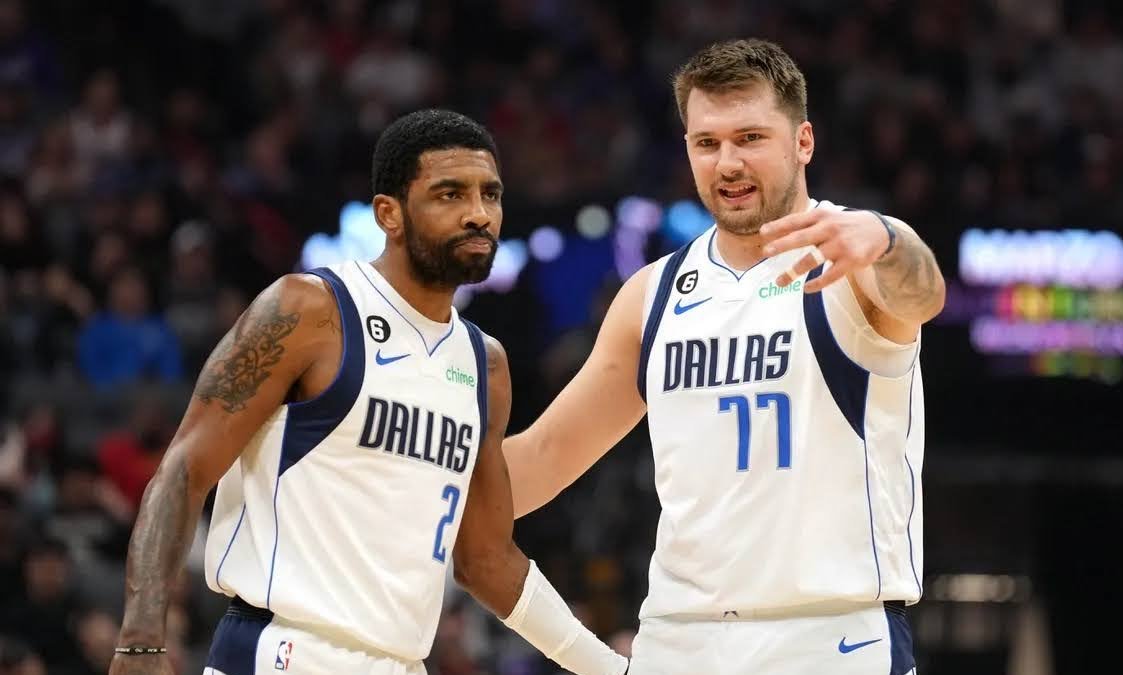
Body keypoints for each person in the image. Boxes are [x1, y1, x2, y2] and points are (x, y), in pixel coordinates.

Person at [109, 109, 628, 675]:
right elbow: (184, 469)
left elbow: (486, 559)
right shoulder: (309, 310)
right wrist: (140, 638)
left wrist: (609, 668)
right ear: (390, 214)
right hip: (284, 650)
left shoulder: (485, 365)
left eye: (490, 195)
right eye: (449, 195)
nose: (479, 214)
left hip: (401, 662)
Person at [503, 39, 946, 674]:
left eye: (751, 138)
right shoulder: (651, 295)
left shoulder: (851, 254)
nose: (728, 162)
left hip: (830, 638)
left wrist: (887, 237)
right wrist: (401, 489)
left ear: (803, 143)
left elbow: (924, 293)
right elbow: (543, 457)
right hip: (679, 639)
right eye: (707, 143)